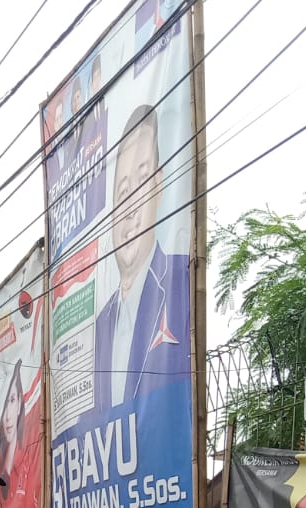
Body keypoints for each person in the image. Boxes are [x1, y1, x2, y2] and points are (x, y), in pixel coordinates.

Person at [93, 104, 191, 417]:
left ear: (159, 185)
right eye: (123, 193)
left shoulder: (181, 281)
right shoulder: (100, 327)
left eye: (142, 180)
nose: (131, 208)